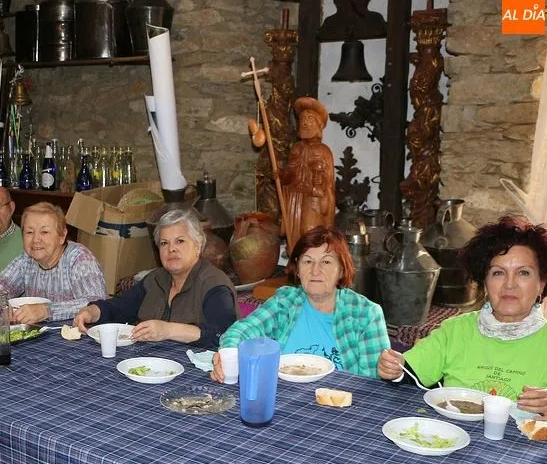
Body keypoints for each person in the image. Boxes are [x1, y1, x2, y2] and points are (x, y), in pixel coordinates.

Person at [377, 216, 547, 417]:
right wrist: (393, 368)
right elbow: (407, 372)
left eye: (524, 273)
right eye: (498, 273)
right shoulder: (455, 330)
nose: (510, 284)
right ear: (484, 282)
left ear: (542, 284)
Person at [212, 226, 389, 381]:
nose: (315, 271)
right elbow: (242, 330)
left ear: (341, 270)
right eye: (307, 261)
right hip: (283, 399)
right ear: (297, 269)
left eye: (326, 262)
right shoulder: (286, 302)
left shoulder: (365, 314)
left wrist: (390, 371)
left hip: (340, 406)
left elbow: (373, 383)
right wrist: (229, 353)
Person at [73, 209, 237, 348]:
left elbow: (222, 333)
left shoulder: (214, 285)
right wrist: (92, 312)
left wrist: (168, 330)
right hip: (150, 365)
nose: (171, 249)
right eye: (164, 243)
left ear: (198, 245)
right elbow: (121, 306)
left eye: (180, 241)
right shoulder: (156, 279)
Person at [0, 202, 106, 323]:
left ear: (62, 235)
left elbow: (96, 302)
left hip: (76, 336)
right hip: (39, 334)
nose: (36, 240)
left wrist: (47, 311)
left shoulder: (79, 258)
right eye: (29, 232)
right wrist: (0, 305)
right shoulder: (27, 259)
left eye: (44, 232)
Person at [282, 97, 335, 254]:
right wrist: (283, 174)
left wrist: (321, 182)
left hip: (314, 199)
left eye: (310, 119)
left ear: (319, 125)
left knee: (309, 231)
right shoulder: (296, 148)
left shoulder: (324, 150)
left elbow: (329, 184)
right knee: (296, 233)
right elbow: (289, 175)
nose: (305, 122)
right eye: (302, 119)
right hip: (296, 198)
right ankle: (296, 262)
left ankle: (310, 262)